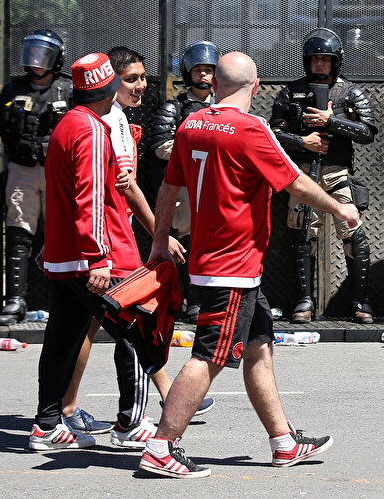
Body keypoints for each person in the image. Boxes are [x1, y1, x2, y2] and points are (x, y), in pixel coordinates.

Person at [139, 52, 358, 478]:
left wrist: (159, 242)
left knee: (259, 344)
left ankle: (283, 442)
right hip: (232, 265)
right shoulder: (250, 128)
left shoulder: (191, 124)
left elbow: (167, 188)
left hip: (218, 261)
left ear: (215, 83)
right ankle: (162, 446)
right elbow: (295, 181)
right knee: (209, 356)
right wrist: (338, 208)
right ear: (255, 87)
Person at [58, 47, 212, 438]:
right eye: (130, 79)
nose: (140, 85)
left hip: (104, 237)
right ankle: (130, 417)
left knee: (92, 325)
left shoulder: (110, 118)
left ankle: (65, 410)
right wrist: (158, 234)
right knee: (135, 320)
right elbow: (119, 189)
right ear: (109, 82)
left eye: (143, 77)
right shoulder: (104, 121)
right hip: (106, 241)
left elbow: (118, 187)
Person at [30, 52, 175, 451]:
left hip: (66, 256)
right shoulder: (94, 130)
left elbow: (64, 196)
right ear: (109, 87)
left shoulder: (67, 124)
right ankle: (131, 423)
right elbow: (90, 197)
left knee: (61, 340)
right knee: (136, 330)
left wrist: (53, 245)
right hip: (96, 255)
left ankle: (47, 424)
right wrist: (98, 257)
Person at [270, 28, 378, 324]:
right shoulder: (291, 92)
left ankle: (361, 302)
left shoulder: (350, 92)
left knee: (354, 232)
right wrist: (302, 142)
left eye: (325, 59)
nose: (320, 64)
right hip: (302, 175)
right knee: (303, 233)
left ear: (335, 62)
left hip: (338, 172)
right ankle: (304, 301)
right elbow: (272, 134)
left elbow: (368, 132)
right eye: (315, 59)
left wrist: (332, 122)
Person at [0, 30, 70, 325]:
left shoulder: (68, 90)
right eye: (33, 53)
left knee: (61, 233)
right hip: (23, 168)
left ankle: (64, 299)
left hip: (58, 171)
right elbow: (2, 127)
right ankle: (14, 300)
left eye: (44, 54)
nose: (37, 60)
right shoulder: (13, 90)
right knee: (18, 230)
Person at [147, 40, 219, 322]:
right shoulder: (174, 107)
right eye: (198, 69)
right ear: (188, 72)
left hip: (215, 188)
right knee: (185, 242)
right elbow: (160, 146)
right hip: (185, 189)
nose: (203, 75)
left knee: (210, 243)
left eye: (209, 70)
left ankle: (207, 299)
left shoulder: (223, 106)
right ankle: (188, 300)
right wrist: (198, 153)